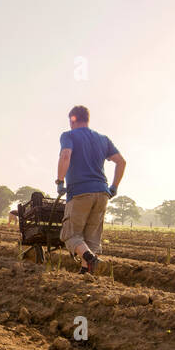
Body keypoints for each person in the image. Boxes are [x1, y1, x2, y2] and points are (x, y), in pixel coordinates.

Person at [55, 105, 126, 273]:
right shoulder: (103, 139)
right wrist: (114, 187)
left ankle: (90, 258)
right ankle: (86, 272)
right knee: (91, 238)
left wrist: (59, 181)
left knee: (71, 235)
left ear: (72, 120)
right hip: (102, 193)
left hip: (80, 192)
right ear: (87, 119)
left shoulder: (68, 135)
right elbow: (121, 162)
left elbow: (65, 155)